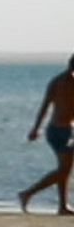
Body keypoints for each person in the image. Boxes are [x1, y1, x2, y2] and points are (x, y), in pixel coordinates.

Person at [19, 55, 74, 215]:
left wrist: (36, 128)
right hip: (59, 131)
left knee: (64, 169)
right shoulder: (57, 82)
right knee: (64, 170)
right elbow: (45, 106)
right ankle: (27, 193)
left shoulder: (58, 81)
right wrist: (35, 128)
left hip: (64, 131)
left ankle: (62, 206)